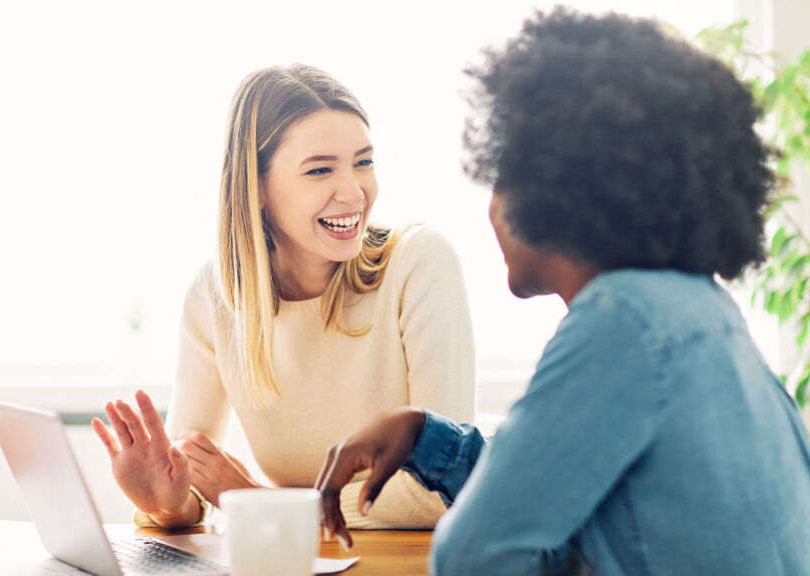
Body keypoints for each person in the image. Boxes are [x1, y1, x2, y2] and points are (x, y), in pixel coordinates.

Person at [316, 9, 810, 575]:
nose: (491, 206)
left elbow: (472, 556)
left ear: (557, 188)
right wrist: (422, 435)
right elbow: (558, 496)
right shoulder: (696, 312)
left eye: (502, 174)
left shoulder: (622, 324)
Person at [91, 64, 476, 531]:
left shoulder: (419, 263)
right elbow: (196, 482)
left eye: (364, 161)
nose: (354, 192)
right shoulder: (216, 298)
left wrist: (260, 502)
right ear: (256, 189)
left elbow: (440, 489)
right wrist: (169, 503)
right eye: (320, 170)